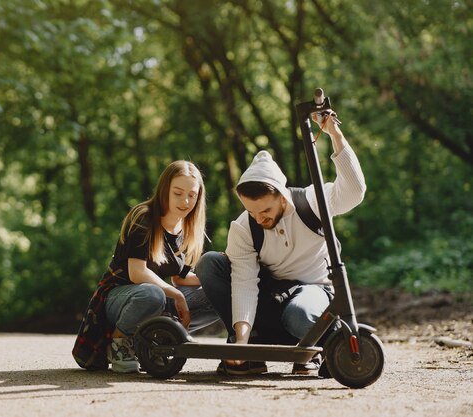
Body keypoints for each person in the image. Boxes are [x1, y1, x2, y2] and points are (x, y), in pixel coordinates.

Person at [196, 113, 366, 376]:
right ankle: (252, 350)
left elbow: (354, 191)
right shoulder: (244, 227)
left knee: (299, 314)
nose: (258, 218)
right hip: (270, 298)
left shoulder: (312, 202)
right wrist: (241, 343)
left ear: (282, 195)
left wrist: (335, 134)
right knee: (210, 263)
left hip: (313, 294)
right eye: (251, 212)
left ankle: (322, 348)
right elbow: (243, 283)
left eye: (265, 210)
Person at [72, 160, 219, 373]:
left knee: (216, 295)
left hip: (155, 301)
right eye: (178, 193)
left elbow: (181, 279)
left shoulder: (185, 229)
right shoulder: (144, 217)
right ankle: (119, 342)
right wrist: (176, 296)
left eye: (192, 194)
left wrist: (222, 277)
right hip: (119, 299)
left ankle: (161, 339)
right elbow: (137, 272)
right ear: (164, 190)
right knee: (153, 294)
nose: (185, 201)